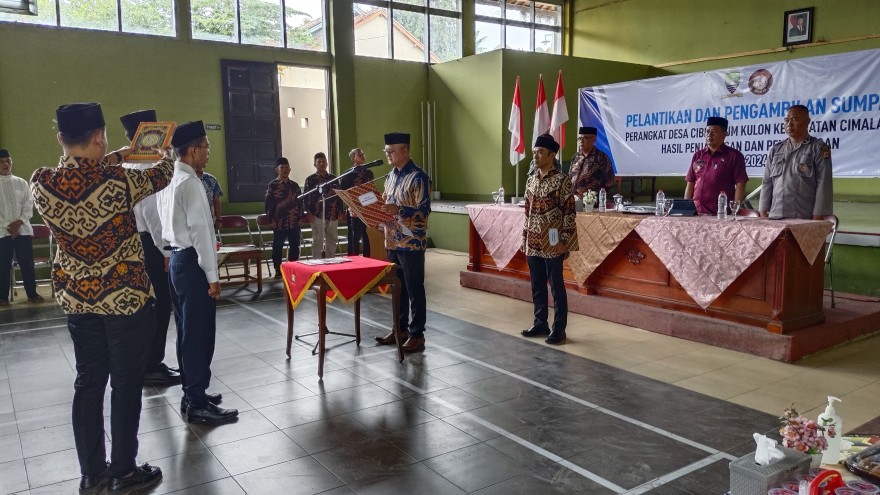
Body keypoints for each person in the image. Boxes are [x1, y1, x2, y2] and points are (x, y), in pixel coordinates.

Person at [30, 103, 171, 492]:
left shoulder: (41, 182)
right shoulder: (121, 182)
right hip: (126, 301)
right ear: (99, 136)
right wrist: (158, 150)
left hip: (78, 300)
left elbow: (82, 174)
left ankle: (93, 473)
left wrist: (115, 156)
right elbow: (164, 172)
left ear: (60, 139)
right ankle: (124, 470)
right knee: (126, 384)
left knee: (88, 383)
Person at [158, 120, 238, 424]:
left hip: (177, 261)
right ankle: (196, 402)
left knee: (185, 332)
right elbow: (202, 232)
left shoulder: (170, 178)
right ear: (192, 150)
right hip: (192, 263)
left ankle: (193, 393)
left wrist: (170, 254)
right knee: (199, 334)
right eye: (205, 147)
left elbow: (162, 225)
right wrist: (213, 277)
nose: (208, 152)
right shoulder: (191, 182)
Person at [119, 110, 180, 386]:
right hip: (151, 245)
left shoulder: (130, 166)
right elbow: (154, 216)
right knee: (161, 303)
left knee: (148, 305)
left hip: (137, 243)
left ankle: (148, 361)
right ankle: (152, 363)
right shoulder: (147, 168)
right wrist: (166, 252)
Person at [374, 132, 431, 353]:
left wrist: (400, 210)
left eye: (391, 150)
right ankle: (400, 328)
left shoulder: (419, 177)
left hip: (412, 242)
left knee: (415, 287)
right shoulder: (390, 177)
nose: (387, 154)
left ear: (405, 151)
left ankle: (417, 334)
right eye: (386, 150)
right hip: (392, 241)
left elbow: (424, 210)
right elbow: (384, 204)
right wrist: (364, 210)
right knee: (397, 288)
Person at [520, 134, 578, 345]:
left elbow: (569, 213)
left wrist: (564, 240)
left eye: (540, 152)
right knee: (537, 284)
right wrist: (524, 237)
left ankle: (559, 329)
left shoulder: (562, 180)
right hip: (533, 240)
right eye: (534, 152)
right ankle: (540, 322)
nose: (535, 156)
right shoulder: (531, 179)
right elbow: (527, 212)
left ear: (552, 155)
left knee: (556, 285)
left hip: (553, 241)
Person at [759, 105, 833, 220]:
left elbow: (824, 184)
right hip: (776, 215)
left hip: (803, 216)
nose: (789, 124)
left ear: (807, 122)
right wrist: (763, 211)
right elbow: (767, 182)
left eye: (795, 119)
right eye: (787, 120)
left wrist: (818, 216)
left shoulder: (818, 148)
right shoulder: (776, 149)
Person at [0, 148, 44, 305]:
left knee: (27, 263)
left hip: (22, 230)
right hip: (2, 232)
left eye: (8, 161)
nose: (6, 164)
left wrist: (18, 222)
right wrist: (8, 227)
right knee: (3, 265)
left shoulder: (21, 183)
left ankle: (32, 294)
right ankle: (2, 297)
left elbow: (28, 204)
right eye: (2, 162)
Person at [684, 117, 748, 215]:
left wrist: (735, 211)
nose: (709, 135)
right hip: (696, 213)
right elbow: (690, 183)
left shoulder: (734, 156)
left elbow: (740, 185)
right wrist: (686, 209)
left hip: (720, 214)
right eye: (707, 131)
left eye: (714, 131)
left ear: (724, 134)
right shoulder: (698, 155)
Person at [264, 157, 302, 277]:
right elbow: (268, 204)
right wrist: (271, 220)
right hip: (279, 222)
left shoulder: (295, 186)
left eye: (287, 167)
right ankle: (278, 270)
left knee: (295, 245)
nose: (285, 170)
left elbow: (300, 203)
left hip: (294, 221)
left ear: (290, 169)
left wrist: (300, 217)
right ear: (277, 170)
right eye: (282, 168)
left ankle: (293, 268)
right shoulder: (272, 186)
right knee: (278, 246)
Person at [303, 152, 342, 258]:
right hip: (317, 214)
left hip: (333, 214)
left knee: (332, 239)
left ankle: (330, 261)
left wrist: (340, 211)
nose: (322, 164)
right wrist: (308, 212)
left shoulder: (334, 178)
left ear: (327, 164)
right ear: (315, 164)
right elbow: (305, 198)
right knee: (317, 240)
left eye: (324, 162)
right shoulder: (310, 179)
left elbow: (340, 196)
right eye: (319, 162)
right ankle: (317, 262)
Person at [340, 148, 374, 256]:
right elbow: (343, 192)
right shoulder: (347, 174)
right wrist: (350, 205)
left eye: (363, 153)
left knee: (366, 234)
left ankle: (367, 258)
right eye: (360, 154)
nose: (363, 155)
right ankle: (353, 259)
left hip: (367, 208)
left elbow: (371, 189)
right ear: (353, 158)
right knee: (354, 236)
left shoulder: (369, 172)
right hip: (352, 209)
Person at [568, 126, 615, 198]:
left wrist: (598, 196)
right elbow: (570, 176)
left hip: (593, 201)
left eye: (585, 138)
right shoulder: (575, 157)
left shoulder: (601, 157)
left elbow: (609, 182)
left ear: (594, 139)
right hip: (574, 199)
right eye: (579, 138)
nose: (581, 141)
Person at [196, 158, 223, 231]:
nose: (206, 158)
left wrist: (218, 219)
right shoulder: (185, 180)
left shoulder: (211, 179)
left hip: (209, 221)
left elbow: (216, 200)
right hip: (192, 221)